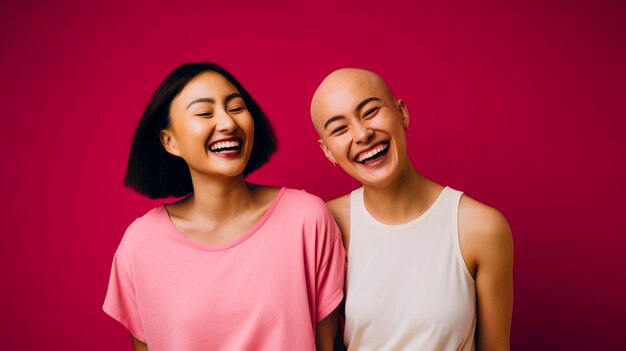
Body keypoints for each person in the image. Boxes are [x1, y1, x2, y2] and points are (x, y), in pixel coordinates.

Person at [103, 62, 345, 351]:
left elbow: (328, 345)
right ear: (170, 141)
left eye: (236, 108)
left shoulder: (306, 219)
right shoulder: (140, 245)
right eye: (205, 113)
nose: (228, 123)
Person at [310, 68, 513, 350]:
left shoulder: (481, 227)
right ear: (328, 151)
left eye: (370, 112)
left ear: (402, 113)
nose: (362, 133)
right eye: (340, 129)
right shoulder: (325, 224)